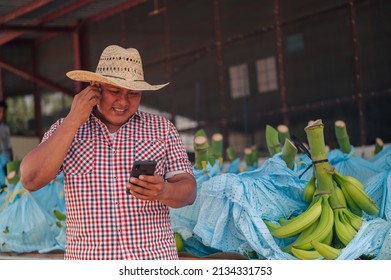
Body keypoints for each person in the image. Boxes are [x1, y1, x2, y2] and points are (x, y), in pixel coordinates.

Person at [20, 45, 197, 260]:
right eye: (114, 91)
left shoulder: (162, 129)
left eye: (133, 94)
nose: (123, 102)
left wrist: (163, 191)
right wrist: (74, 119)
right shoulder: (66, 129)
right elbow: (30, 179)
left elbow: (189, 191)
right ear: (95, 86)